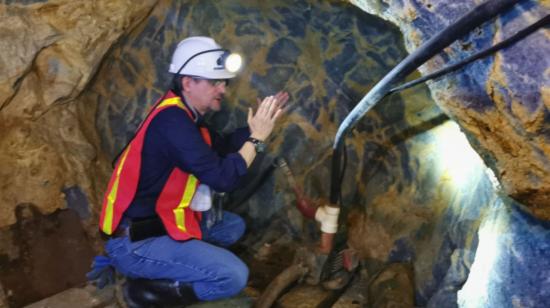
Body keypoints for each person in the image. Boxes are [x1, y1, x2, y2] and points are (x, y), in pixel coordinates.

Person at [92, 36, 288, 307]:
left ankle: (171, 268)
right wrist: (257, 140)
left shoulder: (188, 119)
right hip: (135, 243)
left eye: (224, 83)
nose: (223, 89)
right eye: (214, 82)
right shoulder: (173, 121)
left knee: (232, 226)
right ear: (187, 82)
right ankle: (147, 294)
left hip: (160, 222)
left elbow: (225, 147)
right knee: (233, 276)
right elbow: (223, 177)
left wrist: (255, 129)